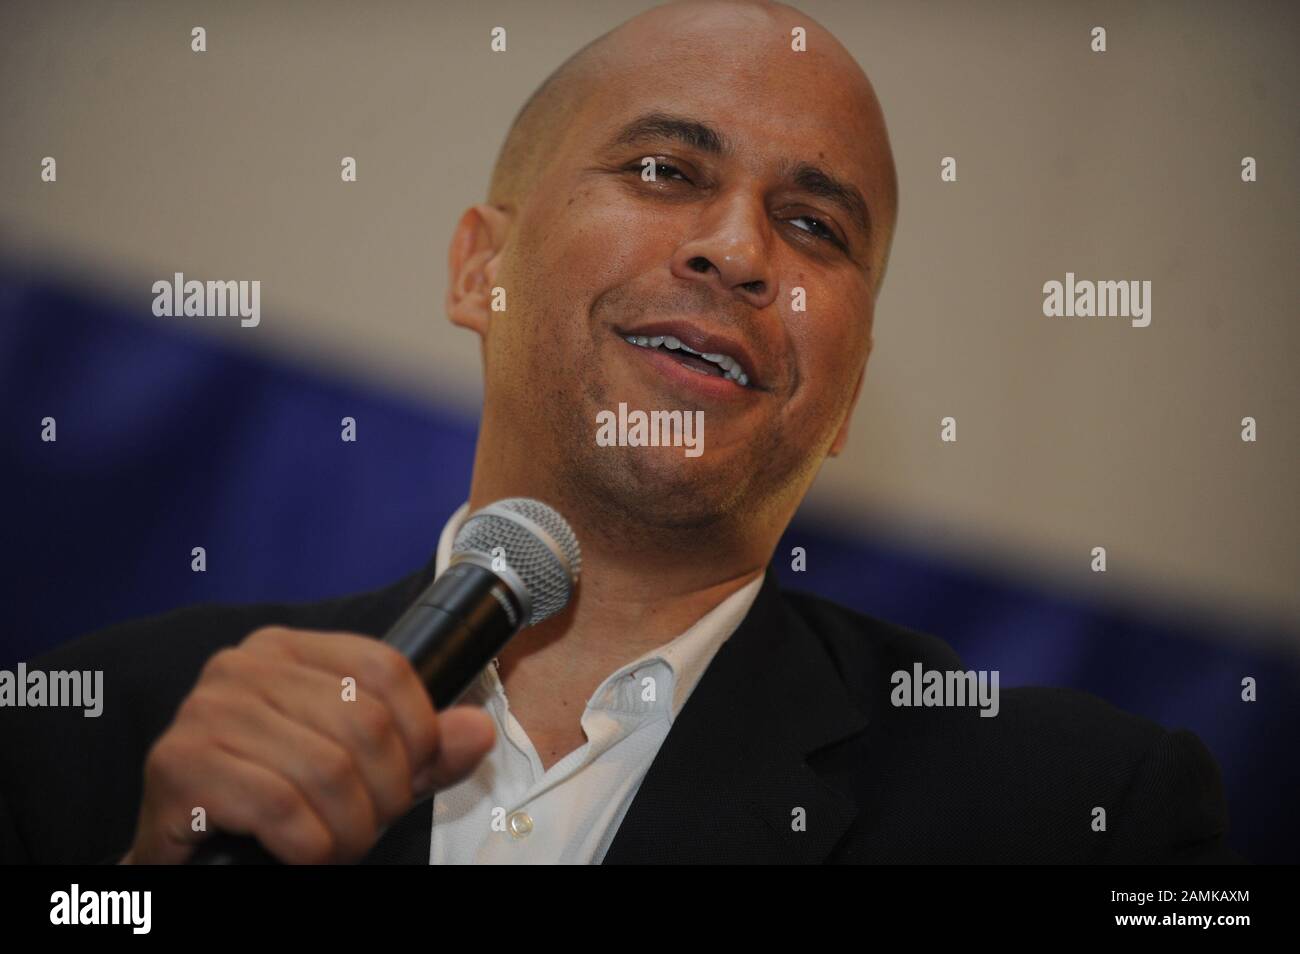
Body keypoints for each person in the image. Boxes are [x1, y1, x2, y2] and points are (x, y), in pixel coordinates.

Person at [0, 0, 1240, 864]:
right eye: (663, 171)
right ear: (481, 268)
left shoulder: (1074, 816)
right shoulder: (109, 723)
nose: (740, 249)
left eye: (815, 227)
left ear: (848, 394)